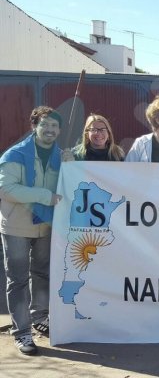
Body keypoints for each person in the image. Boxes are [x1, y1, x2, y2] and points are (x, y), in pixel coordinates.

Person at [0, 106, 63, 355]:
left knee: (42, 274)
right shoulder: (15, 155)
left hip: (45, 227)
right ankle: (22, 332)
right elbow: (6, 189)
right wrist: (45, 196)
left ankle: (40, 318)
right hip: (16, 225)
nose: (50, 130)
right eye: (45, 124)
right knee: (17, 280)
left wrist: (72, 167)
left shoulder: (61, 156)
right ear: (34, 126)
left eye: (54, 126)